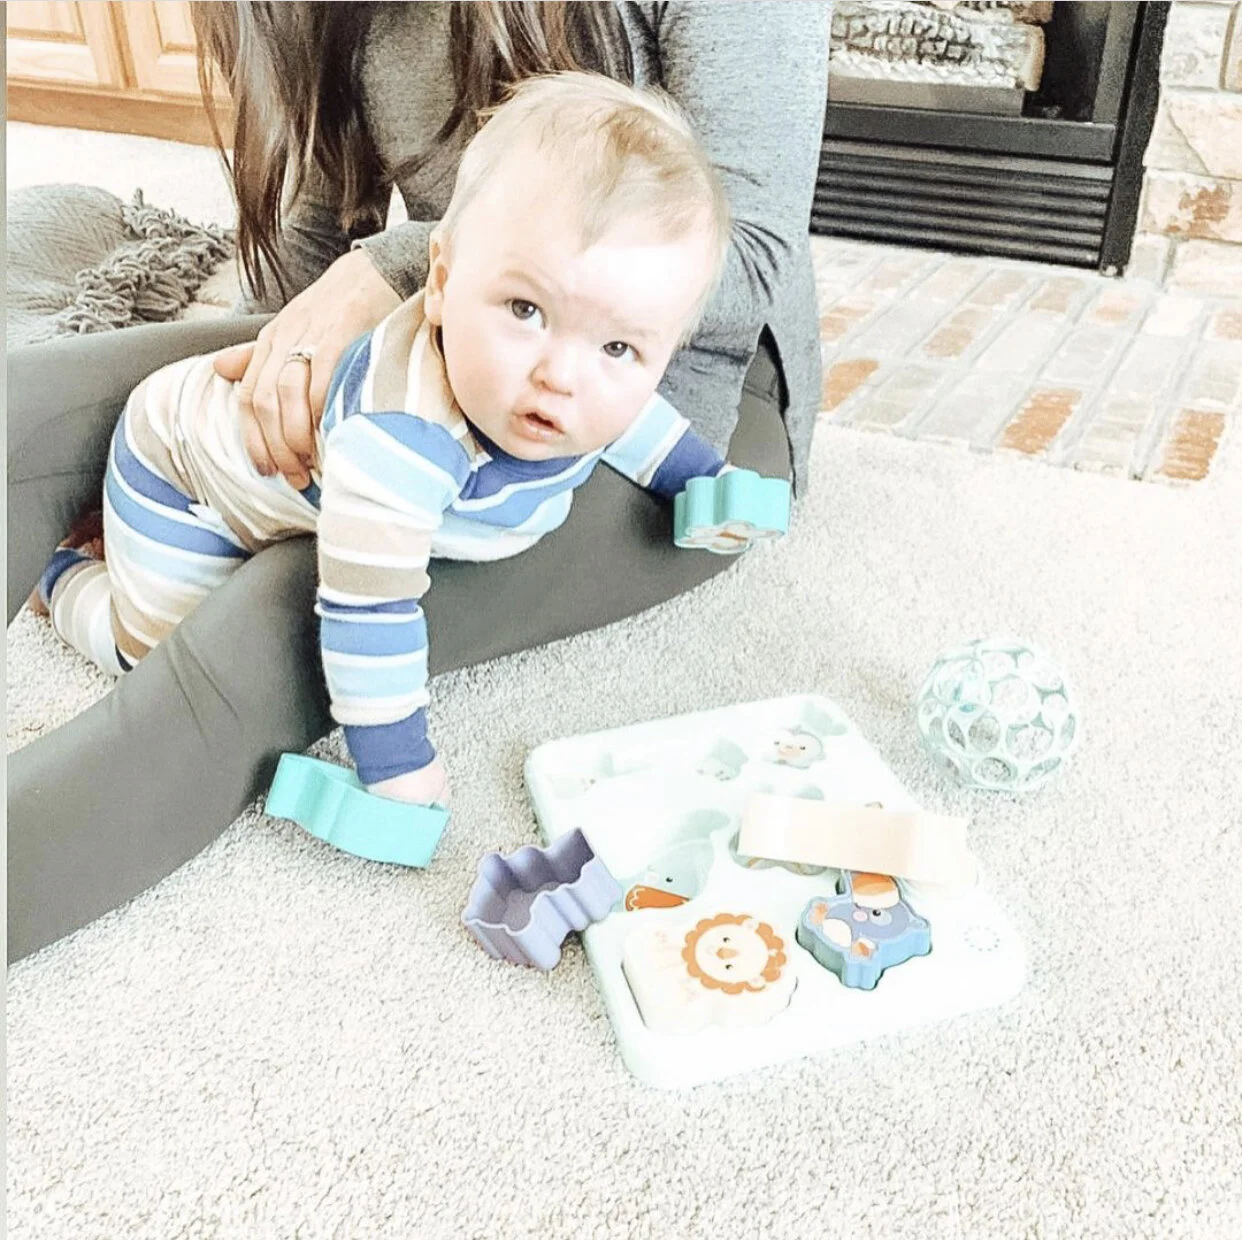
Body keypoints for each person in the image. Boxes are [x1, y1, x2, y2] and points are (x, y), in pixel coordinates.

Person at [7, 1, 830, 959]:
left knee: (282, 610)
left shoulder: (567, 361)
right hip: (459, 328)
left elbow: (752, 256)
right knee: (40, 408)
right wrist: (264, 381)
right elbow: (312, 245)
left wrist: (393, 269)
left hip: (675, 390)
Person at [33, 71, 755, 810]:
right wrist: (396, 764)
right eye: (525, 310)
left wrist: (707, 480)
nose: (562, 375)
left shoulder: (564, 386)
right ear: (439, 281)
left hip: (298, 484)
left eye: (618, 349)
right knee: (149, 653)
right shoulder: (404, 440)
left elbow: (636, 423)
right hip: (183, 474)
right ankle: (60, 577)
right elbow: (368, 611)